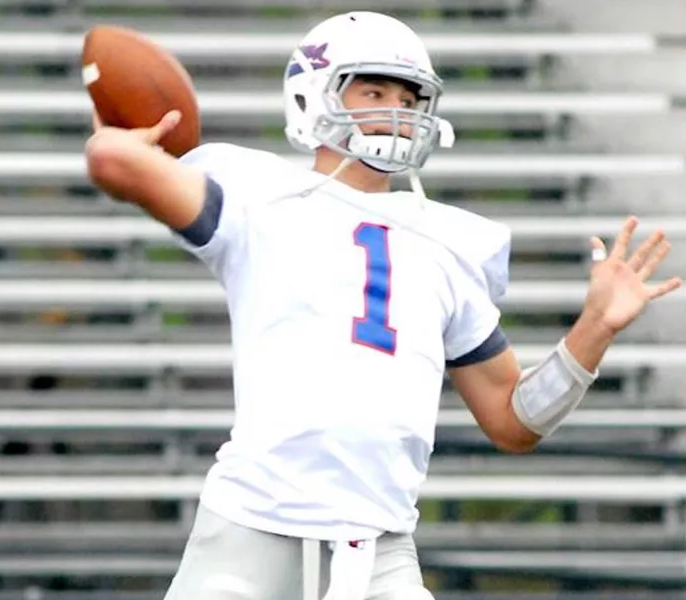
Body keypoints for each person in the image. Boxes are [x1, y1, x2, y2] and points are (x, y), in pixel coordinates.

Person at [84, 11, 681, 600]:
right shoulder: (259, 200)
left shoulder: (447, 243)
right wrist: (122, 128)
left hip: (381, 548)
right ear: (313, 97)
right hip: (253, 528)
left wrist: (596, 327)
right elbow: (114, 161)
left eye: (410, 97)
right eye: (374, 90)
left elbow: (512, 418)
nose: (397, 111)